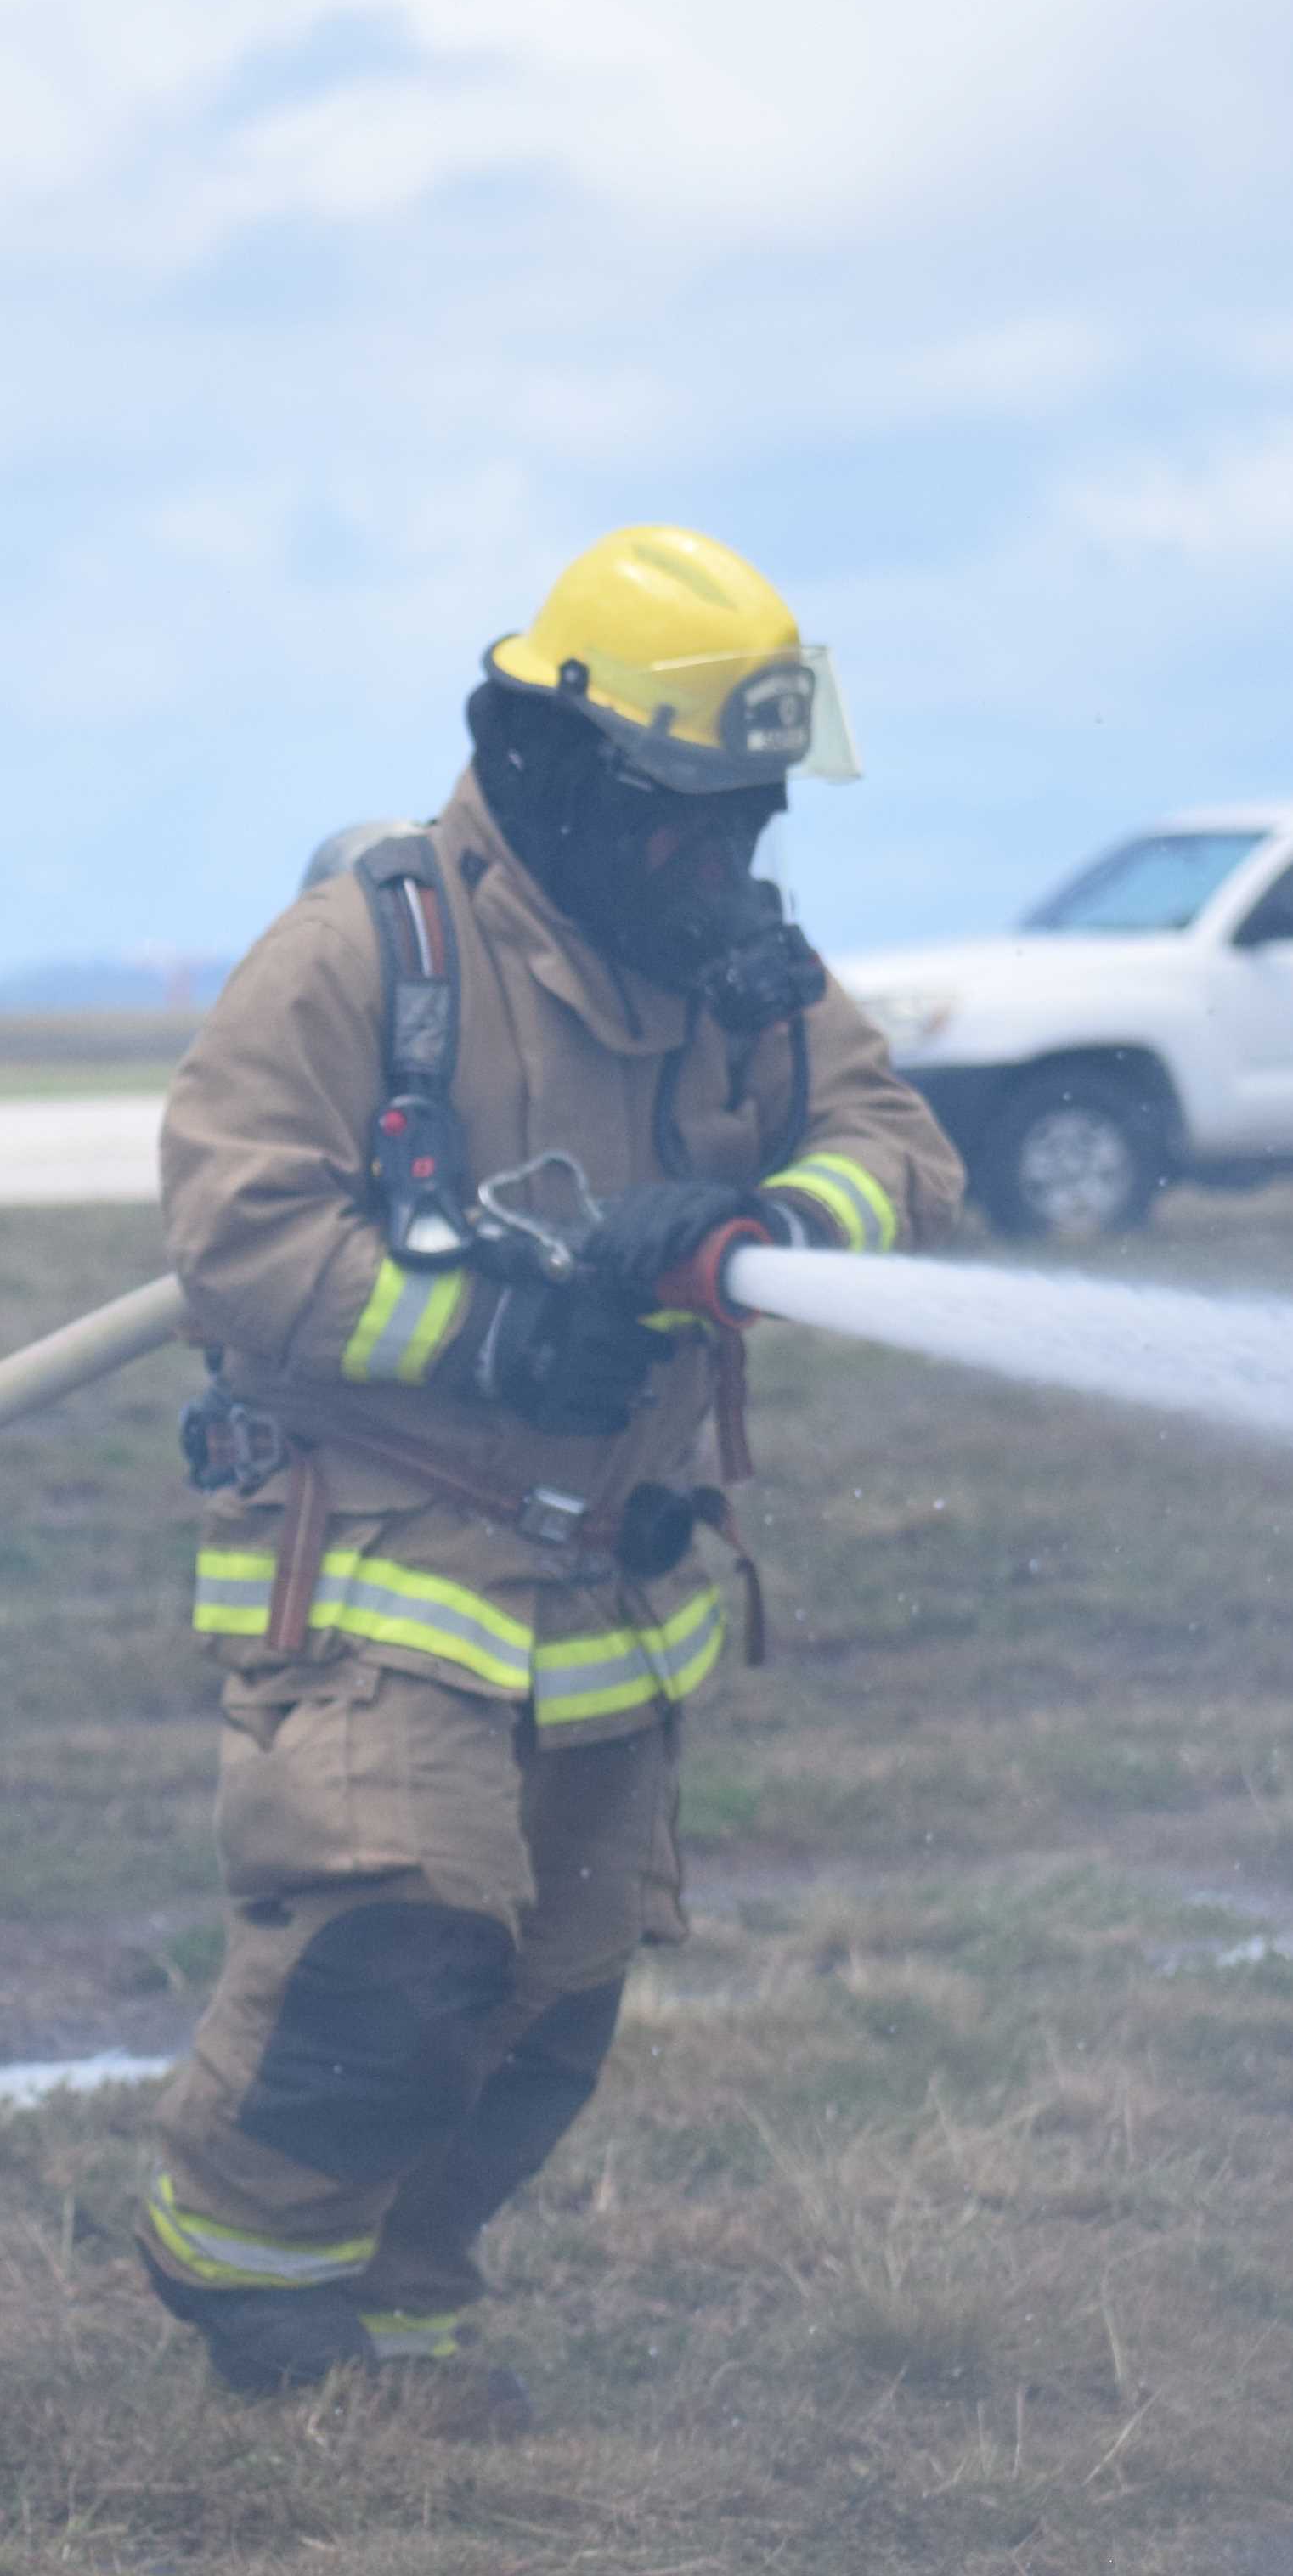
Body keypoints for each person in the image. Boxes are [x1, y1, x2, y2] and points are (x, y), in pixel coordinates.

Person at [144, 525, 960, 2428]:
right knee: (402, 1946)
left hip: (611, 1573)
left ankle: (403, 2315)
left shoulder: (738, 969)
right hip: (381, 1539)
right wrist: (501, 1335)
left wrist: (766, 1219)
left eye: (750, 819)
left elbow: (896, 1142)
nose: (728, 862)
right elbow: (236, 1232)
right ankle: (249, 2280)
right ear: (571, 778)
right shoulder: (371, 952)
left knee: (545, 2008)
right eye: (691, 818)